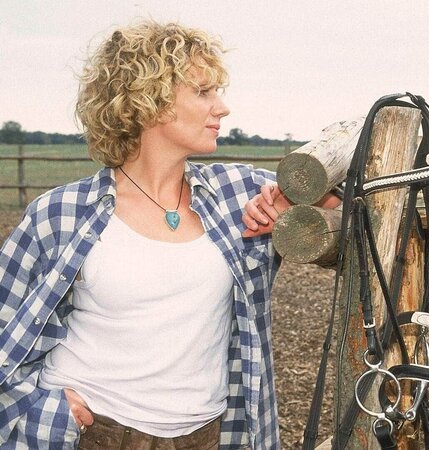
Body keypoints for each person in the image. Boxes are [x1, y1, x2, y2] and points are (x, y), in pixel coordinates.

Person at [0, 20, 336, 449]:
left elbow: (348, 206)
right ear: (150, 101)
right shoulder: (60, 213)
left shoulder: (239, 194)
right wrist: (46, 409)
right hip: (94, 433)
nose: (222, 108)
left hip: (207, 436)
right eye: (203, 91)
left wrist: (294, 211)